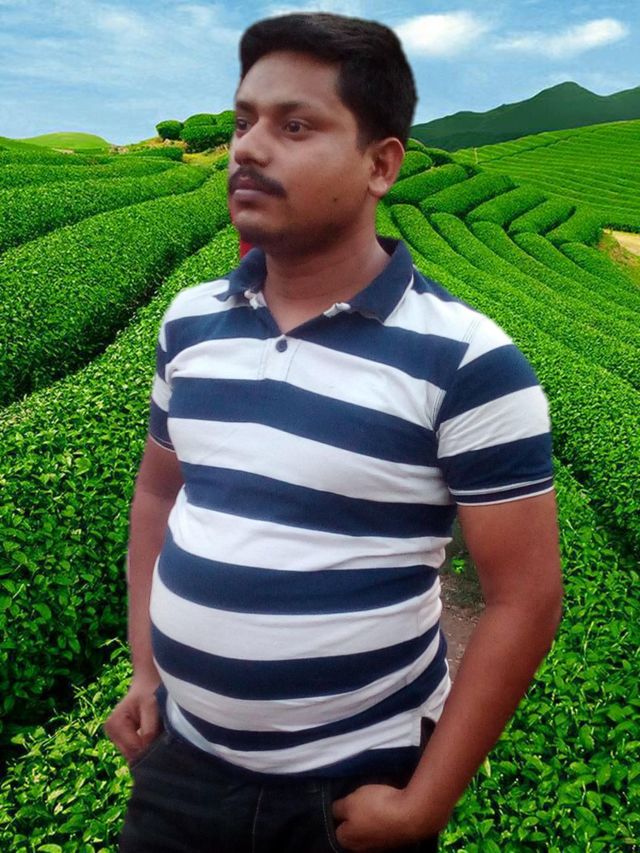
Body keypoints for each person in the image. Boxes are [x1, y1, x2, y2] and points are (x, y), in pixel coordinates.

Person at [104, 12, 563, 852]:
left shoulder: (471, 362)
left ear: (381, 164)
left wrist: (424, 803)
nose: (248, 147)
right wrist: (145, 668)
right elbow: (158, 495)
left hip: (345, 795)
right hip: (180, 764)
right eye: (244, 121)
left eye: (295, 126)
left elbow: (525, 599)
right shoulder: (189, 322)